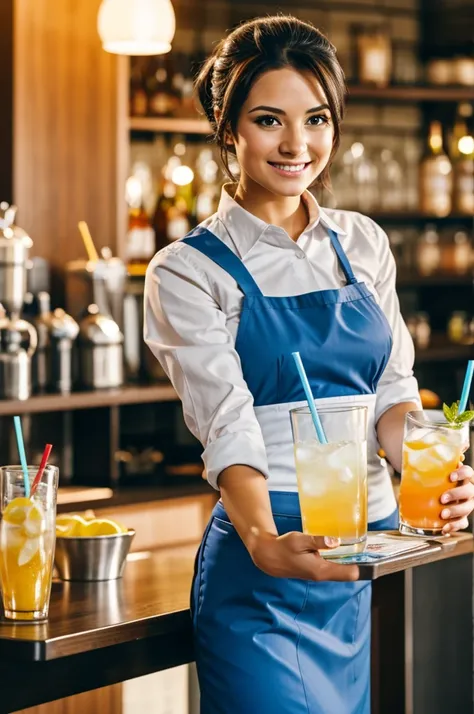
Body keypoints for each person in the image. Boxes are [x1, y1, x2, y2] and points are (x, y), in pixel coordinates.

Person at [144, 15, 474, 714]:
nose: (298, 145)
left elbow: (390, 393)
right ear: (227, 127)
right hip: (265, 564)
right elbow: (226, 422)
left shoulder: (363, 242)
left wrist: (430, 471)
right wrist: (264, 540)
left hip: (359, 550)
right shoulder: (188, 270)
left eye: (317, 118)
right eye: (270, 119)